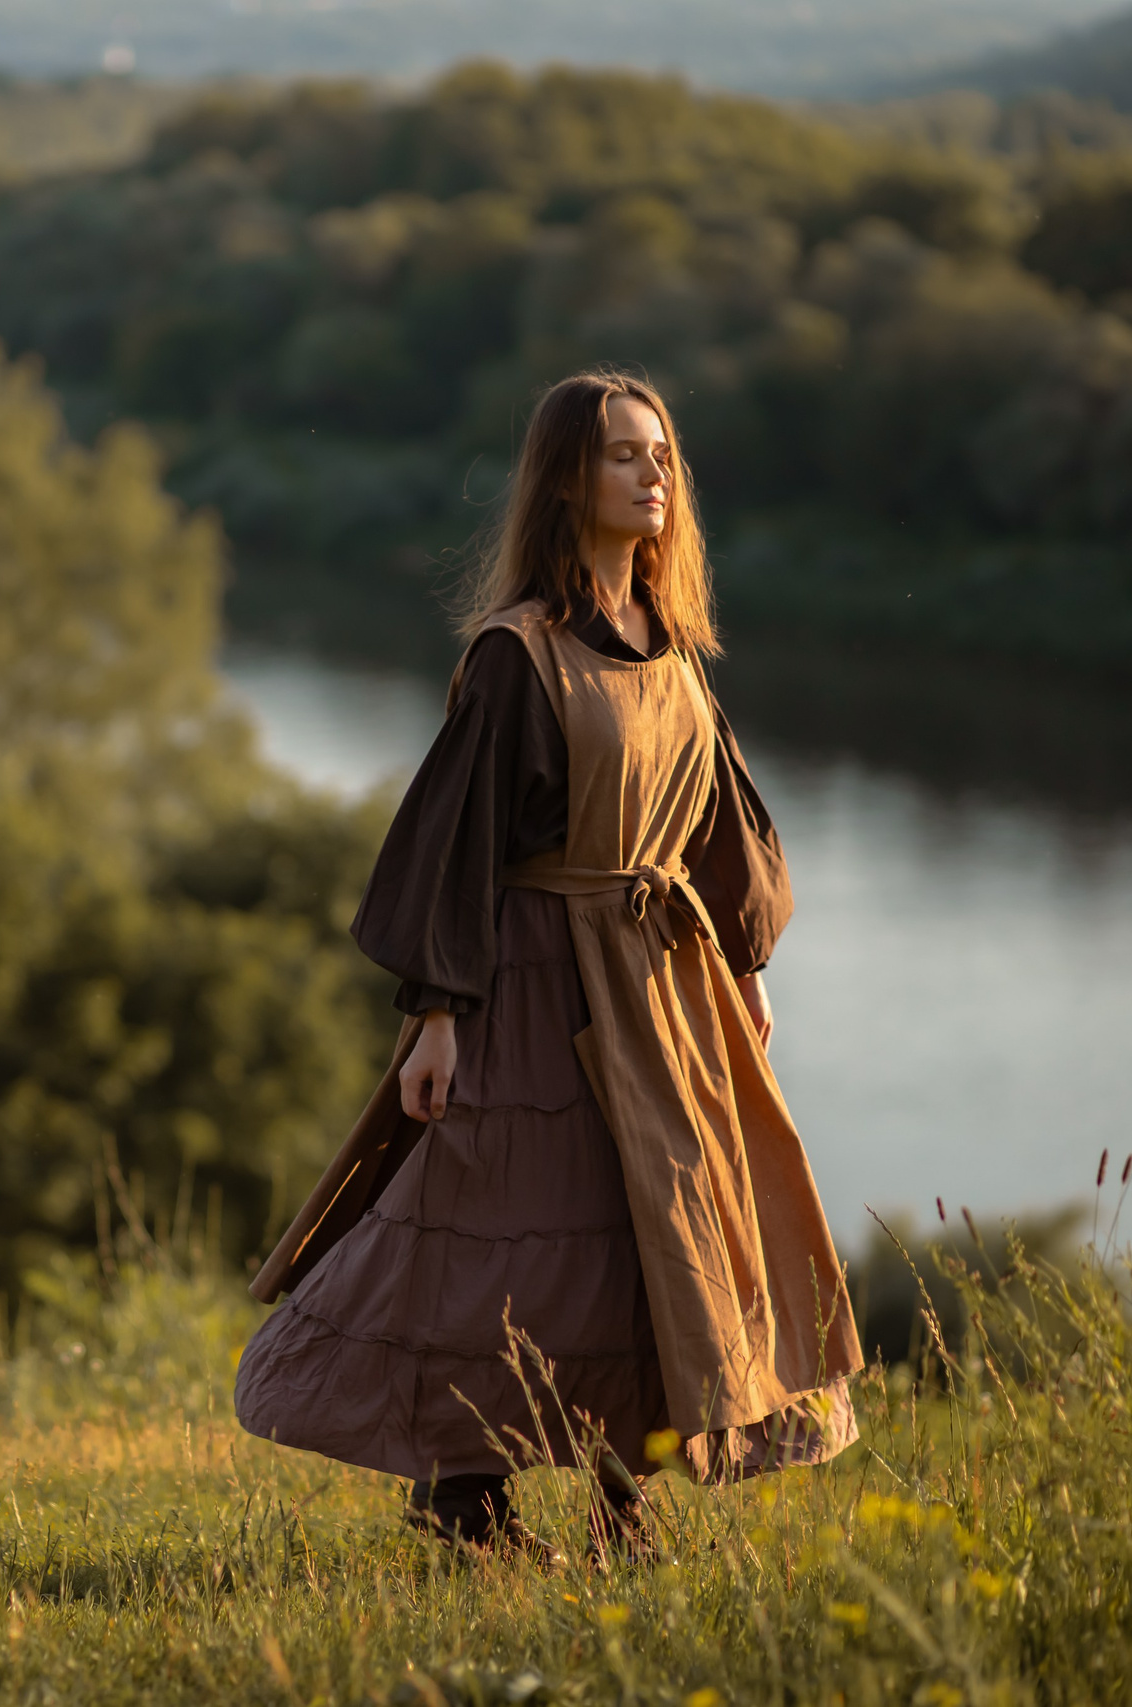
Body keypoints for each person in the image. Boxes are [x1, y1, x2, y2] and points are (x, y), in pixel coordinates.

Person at [234, 369, 863, 1561]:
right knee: (510, 1228)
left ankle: (627, 1504)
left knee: (652, 1233)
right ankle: (465, 1500)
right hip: (534, 983)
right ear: (568, 479)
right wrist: (437, 1018)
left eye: (662, 453)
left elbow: (718, 825)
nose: (653, 475)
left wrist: (743, 966)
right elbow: (456, 841)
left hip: (661, 990)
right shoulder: (516, 656)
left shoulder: (674, 651)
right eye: (624, 454)